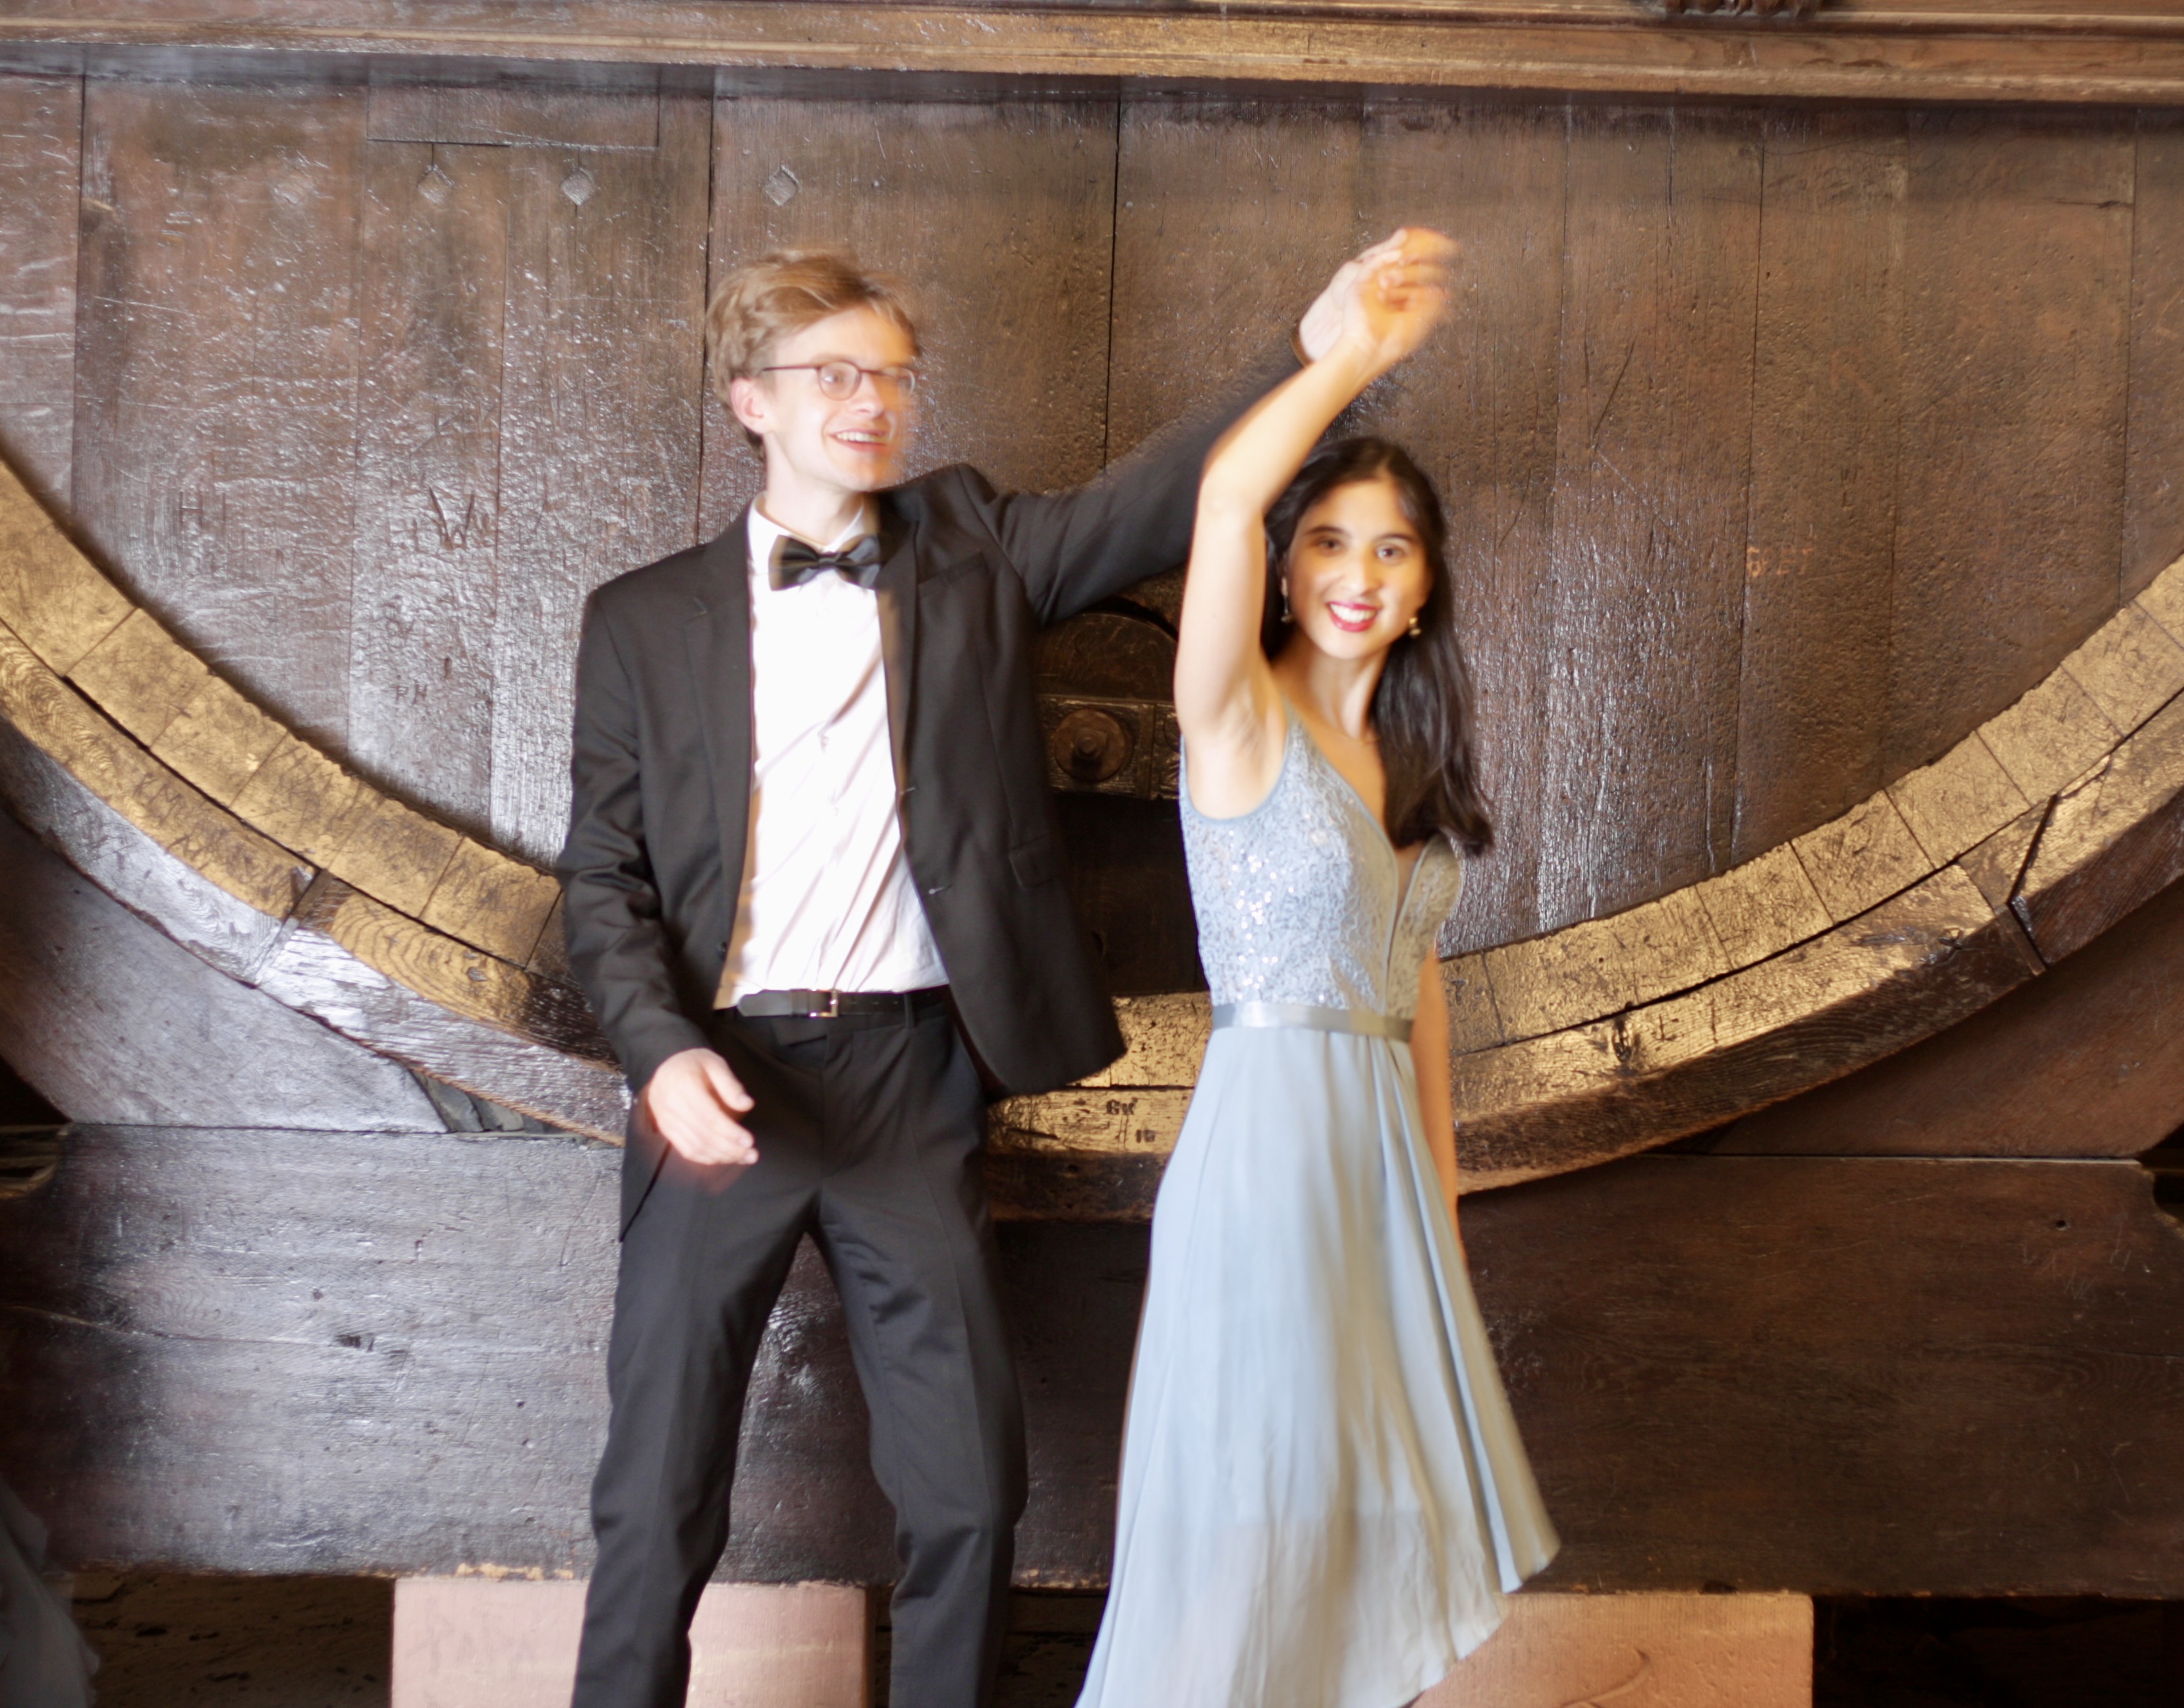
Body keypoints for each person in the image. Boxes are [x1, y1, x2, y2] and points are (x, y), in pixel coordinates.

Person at [558, 241, 1405, 1708]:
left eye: (894, 377)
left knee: (967, 1497)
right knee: (657, 1497)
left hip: (913, 1086)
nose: (875, 403)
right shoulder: (639, 619)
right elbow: (601, 880)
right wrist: (659, 1050)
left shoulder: (973, 548)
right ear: (752, 400)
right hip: (724, 1085)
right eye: (838, 375)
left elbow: (1162, 498)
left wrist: (1316, 351)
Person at [1075, 230, 1557, 1708]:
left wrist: (1445, 1218)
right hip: (1270, 1153)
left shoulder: (1407, 767)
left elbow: (1418, 996)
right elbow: (1226, 495)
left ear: (1425, 588)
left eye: (1392, 549)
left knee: (1374, 1530)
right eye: (1332, 543)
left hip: (1384, 1177)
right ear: (1286, 573)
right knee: (1263, 1520)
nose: (1359, 574)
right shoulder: (1237, 720)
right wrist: (1350, 356)